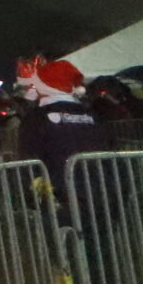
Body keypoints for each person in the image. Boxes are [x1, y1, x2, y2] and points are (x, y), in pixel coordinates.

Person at [15, 57, 106, 201]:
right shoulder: (92, 114)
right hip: (100, 191)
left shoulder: (36, 118)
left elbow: (28, 159)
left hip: (60, 195)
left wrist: (39, 197)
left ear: (42, 86)